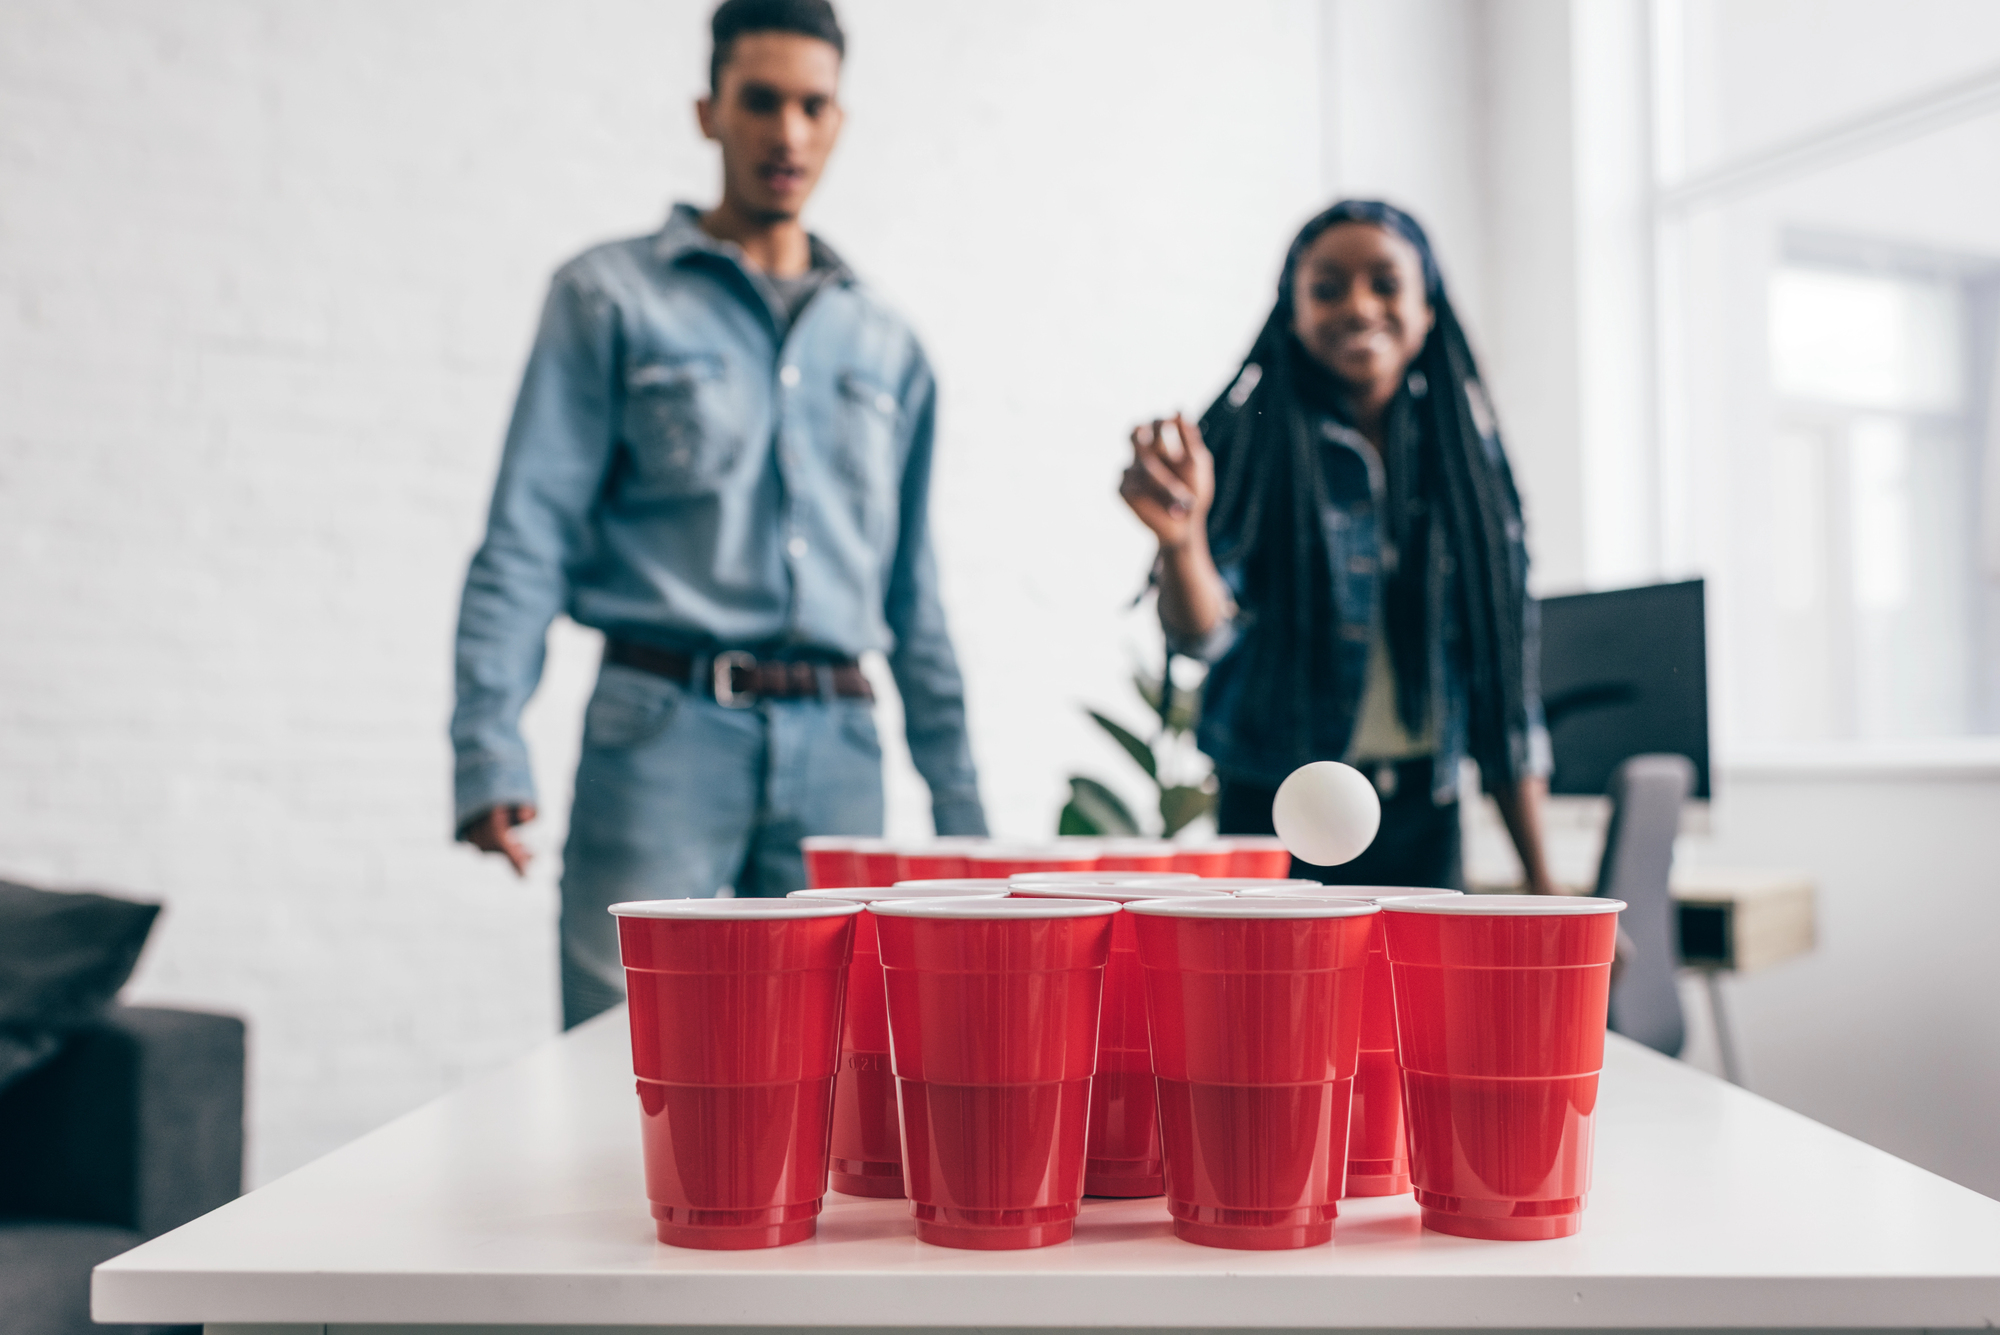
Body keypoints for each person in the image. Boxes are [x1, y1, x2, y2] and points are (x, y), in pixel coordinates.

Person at [451, 0, 987, 1028]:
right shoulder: (607, 300)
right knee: (626, 1059)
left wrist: (964, 820)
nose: (786, 132)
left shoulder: (890, 349)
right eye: (759, 101)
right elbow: (527, 532)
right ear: (708, 112)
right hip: (660, 736)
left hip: (840, 749)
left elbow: (913, 595)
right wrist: (488, 745)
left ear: (838, 122)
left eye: (811, 106)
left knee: (842, 1073)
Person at [1119, 200, 1557, 893]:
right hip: (1273, 805)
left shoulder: (1467, 463)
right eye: (1327, 288)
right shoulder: (1251, 447)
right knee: (1271, 1004)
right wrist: (1182, 542)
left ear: (1428, 308)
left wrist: (1543, 877)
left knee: (1414, 1004)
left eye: (1385, 283)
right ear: (1291, 313)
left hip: (1424, 812)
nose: (1358, 306)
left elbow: (1505, 691)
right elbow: (1202, 636)